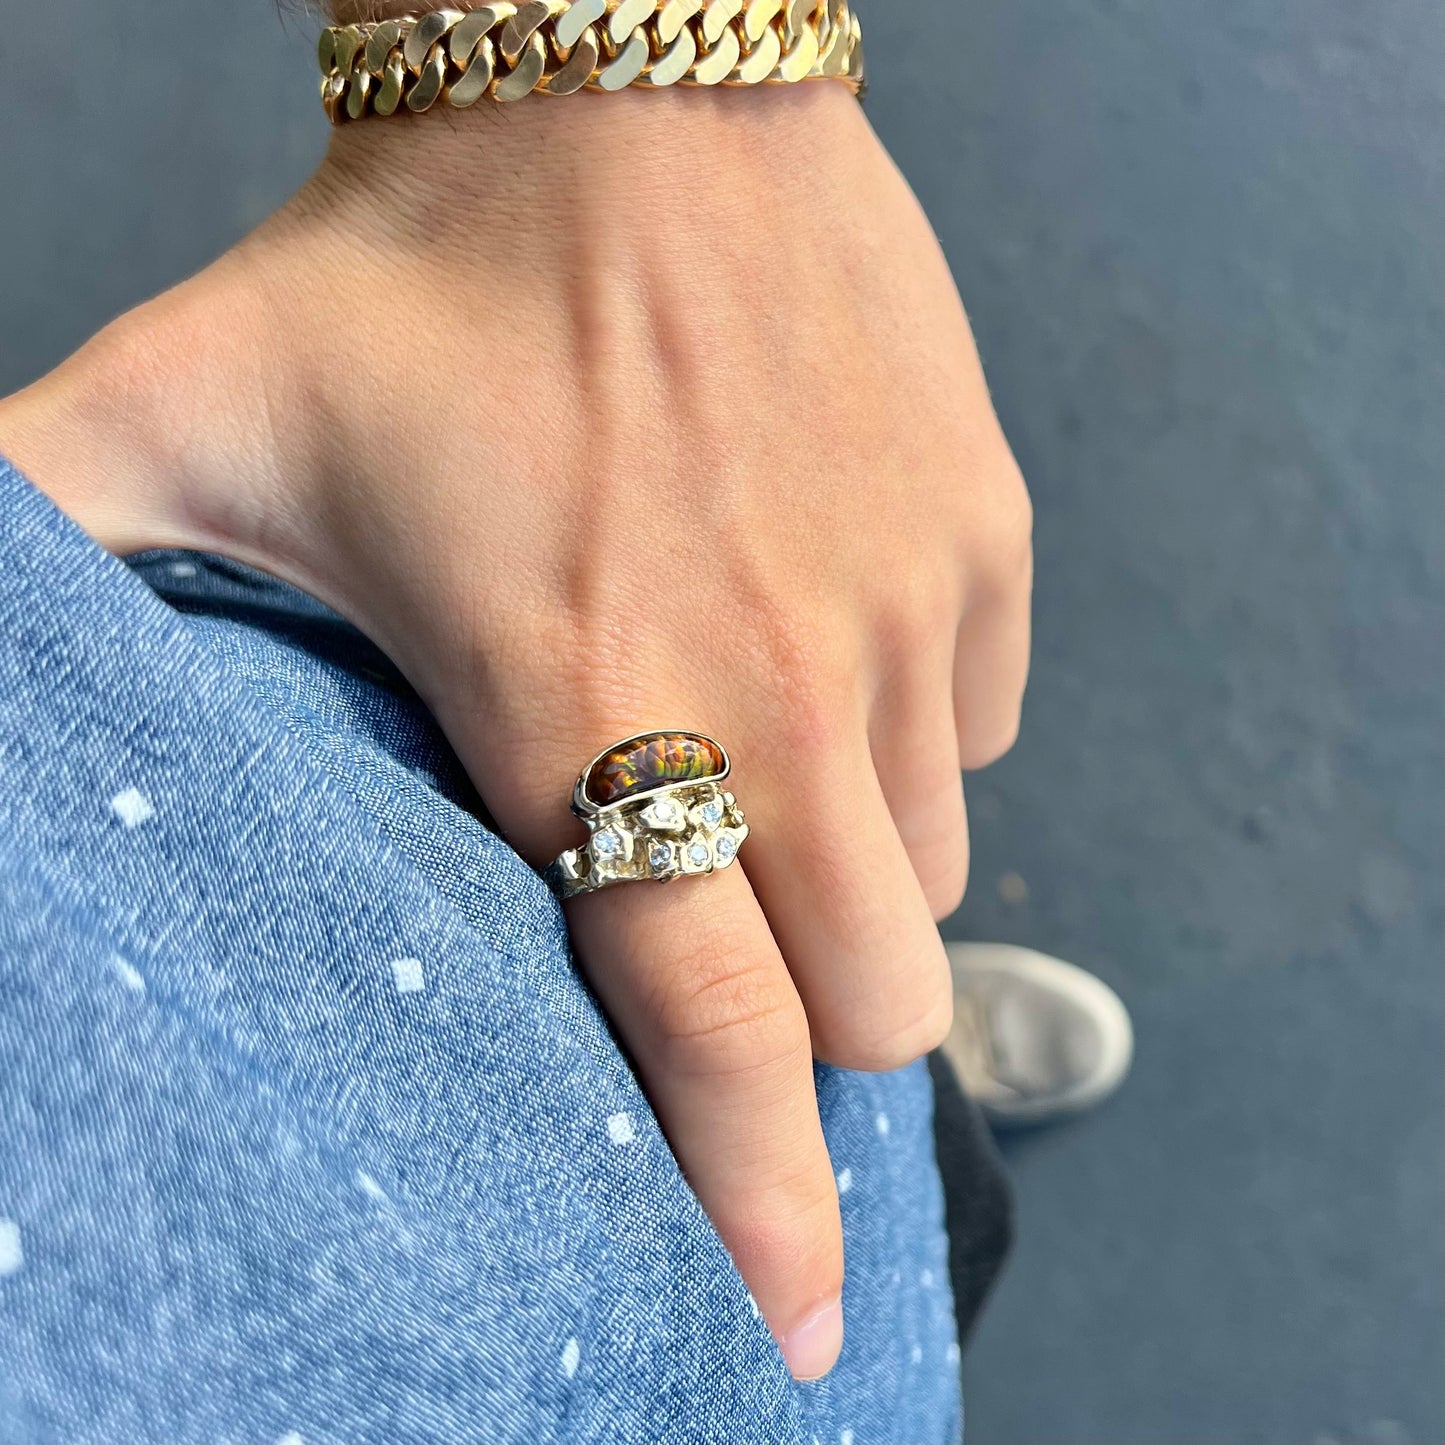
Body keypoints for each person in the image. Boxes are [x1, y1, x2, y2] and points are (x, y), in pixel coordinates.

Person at [0, 4, 1035, 1440]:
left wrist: (616, 90)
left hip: (285, 841)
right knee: (847, 1099)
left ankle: (838, 1030)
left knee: (838, 1055)